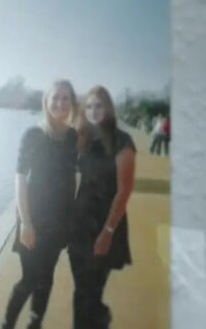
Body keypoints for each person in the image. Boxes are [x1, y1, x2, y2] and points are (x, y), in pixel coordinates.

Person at [0, 80, 79, 329]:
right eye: (56, 97)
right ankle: (7, 325)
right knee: (30, 278)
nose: (60, 103)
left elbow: (73, 179)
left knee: (47, 278)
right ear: (46, 101)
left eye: (66, 98)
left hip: (60, 221)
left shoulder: (73, 138)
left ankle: (35, 323)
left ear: (72, 103)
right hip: (33, 219)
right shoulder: (33, 135)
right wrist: (25, 222)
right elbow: (20, 179)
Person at [69, 86, 136, 328]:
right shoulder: (81, 139)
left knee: (92, 290)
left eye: (98, 105)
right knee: (81, 289)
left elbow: (124, 190)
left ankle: (96, 320)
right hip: (79, 224)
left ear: (108, 108)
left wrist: (107, 233)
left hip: (106, 223)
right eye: (88, 106)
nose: (93, 110)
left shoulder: (122, 141)